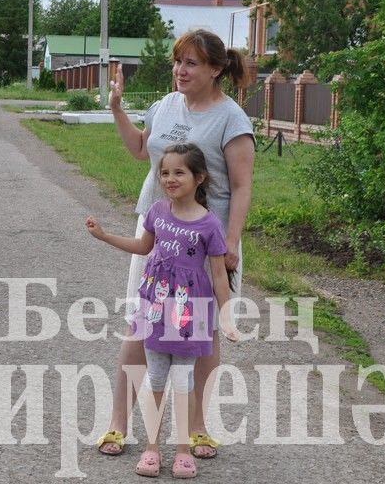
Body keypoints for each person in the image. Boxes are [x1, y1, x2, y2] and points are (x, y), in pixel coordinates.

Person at [96, 29, 255, 460]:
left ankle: (198, 428)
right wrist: (116, 109)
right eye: (177, 62)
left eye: (191, 63)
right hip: (157, 237)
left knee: (202, 333)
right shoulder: (163, 106)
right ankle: (118, 423)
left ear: (216, 69)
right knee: (140, 323)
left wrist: (231, 243)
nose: (180, 71)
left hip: (207, 243)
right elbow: (140, 150)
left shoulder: (231, 119)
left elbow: (241, 187)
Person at [86, 143, 240, 478]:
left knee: (184, 380)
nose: (170, 179)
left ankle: (183, 451)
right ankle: (152, 448)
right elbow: (142, 247)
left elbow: (218, 275)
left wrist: (225, 315)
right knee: (155, 378)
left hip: (190, 312)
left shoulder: (210, 225)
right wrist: (104, 236)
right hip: (155, 309)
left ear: (199, 177)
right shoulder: (157, 212)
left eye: (179, 172)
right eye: (165, 173)